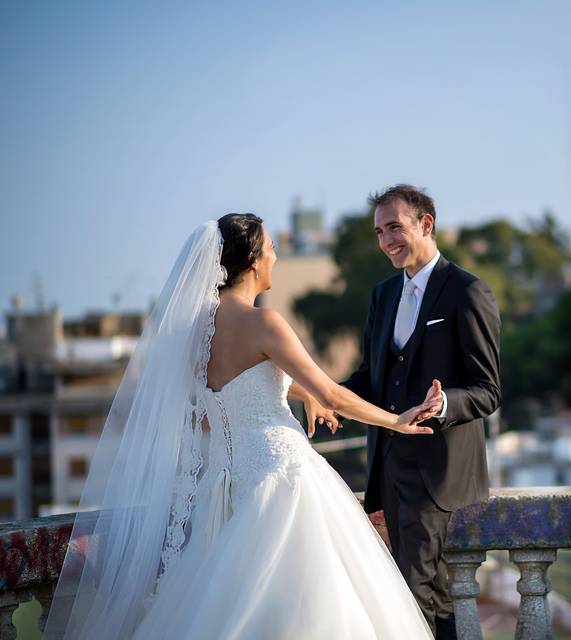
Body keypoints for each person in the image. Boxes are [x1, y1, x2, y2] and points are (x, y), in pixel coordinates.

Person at [46, 214, 438, 639]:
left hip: (223, 489)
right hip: (282, 478)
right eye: (270, 248)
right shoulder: (263, 324)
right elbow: (333, 395)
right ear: (252, 261)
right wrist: (395, 421)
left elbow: (233, 390)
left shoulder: (193, 333)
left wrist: (298, 391)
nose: (276, 255)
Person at [342, 185, 501, 639]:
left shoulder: (468, 291)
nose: (386, 240)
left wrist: (445, 403)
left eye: (395, 227)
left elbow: (488, 390)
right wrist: (328, 397)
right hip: (389, 469)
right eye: (379, 231)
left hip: (437, 472)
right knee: (426, 599)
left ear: (425, 224)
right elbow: (371, 378)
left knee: (416, 597)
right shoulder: (383, 295)